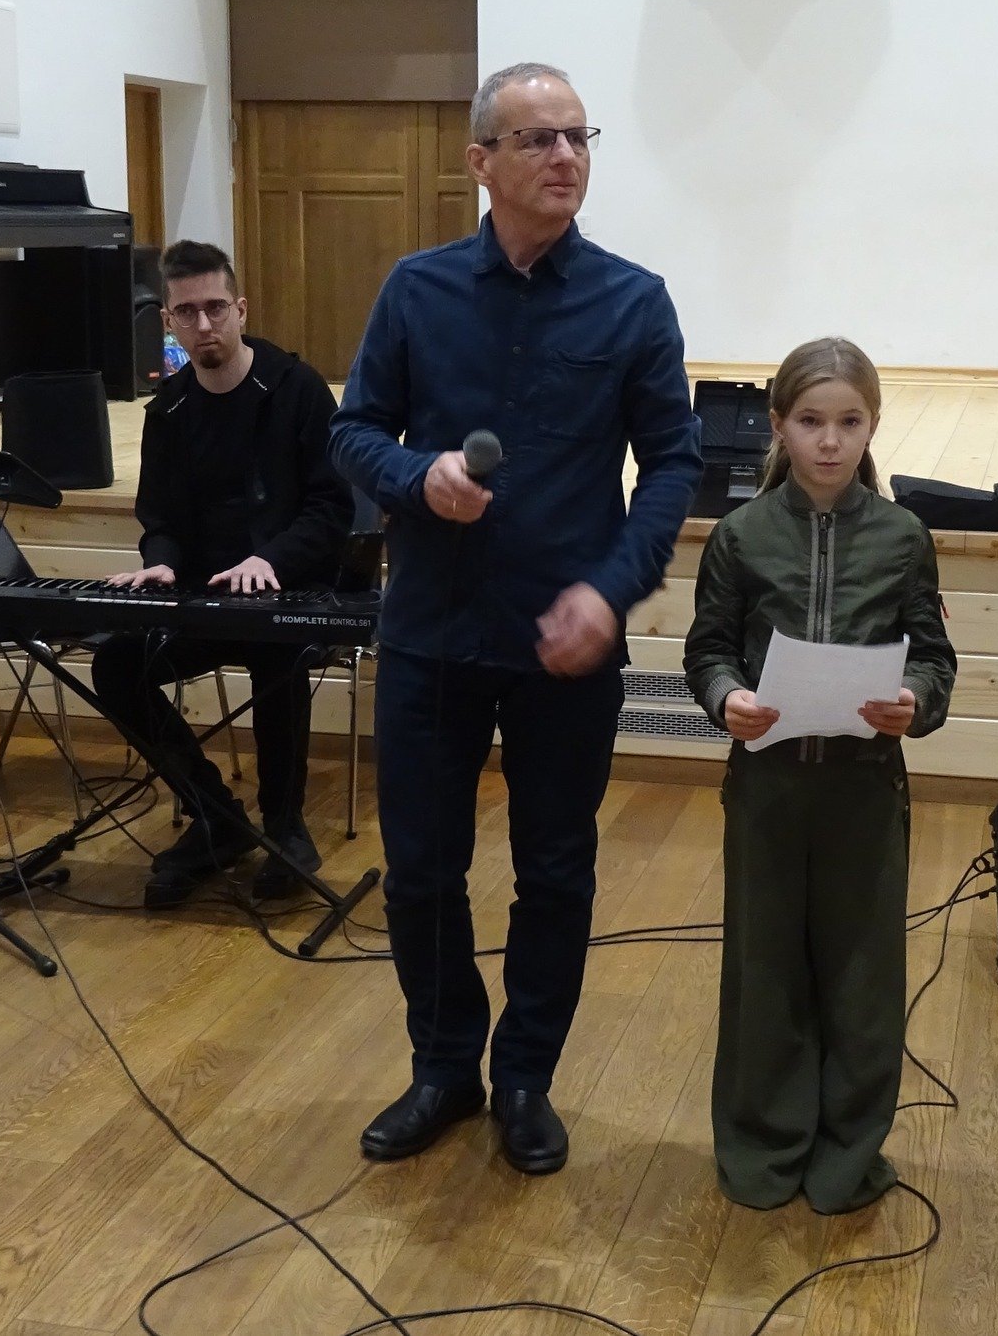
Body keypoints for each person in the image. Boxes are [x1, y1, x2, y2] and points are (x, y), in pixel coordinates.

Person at [330, 62, 703, 1173]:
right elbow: (354, 431)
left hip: (565, 648)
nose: (565, 157)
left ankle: (526, 1075)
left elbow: (673, 464)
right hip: (432, 635)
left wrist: (612, 587)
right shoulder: (416, 290)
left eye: (578, 136)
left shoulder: (634, 301)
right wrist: (418, 475)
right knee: (419, 871)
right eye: (538, 139)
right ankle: (445, 1065)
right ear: (480, 161)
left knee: (555, 872)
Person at [683, 337, 957, 1214]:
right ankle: (762, 1147)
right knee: (763, 971)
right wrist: (726, 698)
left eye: (849, 422)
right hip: (767, 788)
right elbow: (708, 650)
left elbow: (935, 658)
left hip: (864, 790)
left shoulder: (904, 538)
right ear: (778, 426)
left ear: (872, 426)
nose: (830, 441)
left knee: (862, 978)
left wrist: (915, 700)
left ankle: (849, 1151)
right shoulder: (741, 536)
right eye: (810, 421)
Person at [92, 239, 353, 909]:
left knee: (276, 648)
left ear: (241, 309)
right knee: (117, 665)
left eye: (215, 308)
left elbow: (332, 508)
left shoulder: (296, 389)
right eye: (187, 313)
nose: (204, 324)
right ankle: (215, 815)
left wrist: (271, 560)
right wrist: (160, 563)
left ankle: (285, 826)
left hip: (289, 588)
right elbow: (160, 517)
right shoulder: (169, 410)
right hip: (204, 597)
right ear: (168, 322)